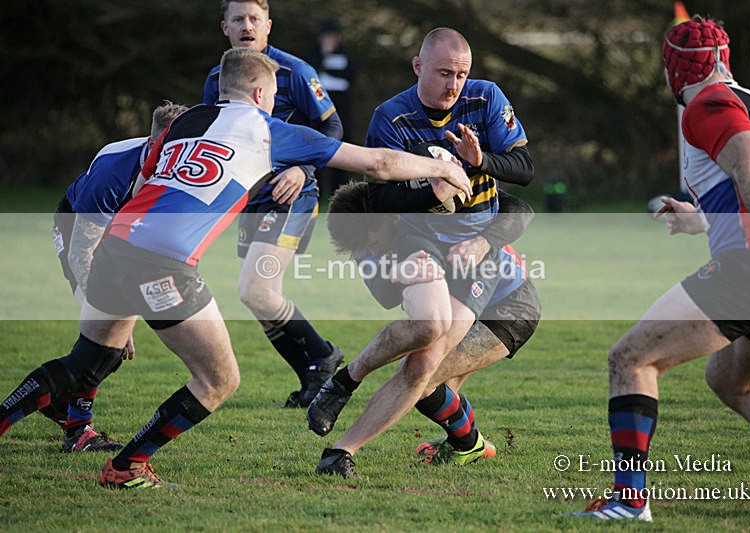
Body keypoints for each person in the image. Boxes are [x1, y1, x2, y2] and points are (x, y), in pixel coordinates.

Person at [0, 47, 470, 489]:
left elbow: (145, 179)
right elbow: (379, 163)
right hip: (163, 263)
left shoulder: (186, 122)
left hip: (116, 246)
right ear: (264, 94)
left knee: (86, 363)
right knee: (219, 380)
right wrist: (442, 170)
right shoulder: (268, 129)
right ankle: (127, 467)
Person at [572, 17, 750, 521]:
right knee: (730, 380)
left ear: (674, 68)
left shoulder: (707, 102)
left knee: (630, 357)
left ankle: (629, 502)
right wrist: (701, 219)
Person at [310, 182, 540, 478]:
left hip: (510, 305)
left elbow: (518, 209)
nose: (371, 251)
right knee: (428, 382)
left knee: (421, 371)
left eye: (374, 242)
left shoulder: (425, 204)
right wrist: (395, 273)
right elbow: (383, 295)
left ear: (393, 218)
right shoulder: (361, 234)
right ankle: (465, 442)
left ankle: (343, 450)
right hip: (462, 294)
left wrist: (482, 242)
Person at [202, 0, 347, 408]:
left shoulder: (295, 71)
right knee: (260, 296)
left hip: (292, 195)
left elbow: (331, 126)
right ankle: (312, 377)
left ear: (268, 25)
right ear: (224, 27)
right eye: (238, 19)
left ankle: (321, 357)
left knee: (256, 288)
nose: (246, 26)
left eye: (254, 19)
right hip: (251, 199)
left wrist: (302, 169)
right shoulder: (217, 78)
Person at [45, 101, 187, 453]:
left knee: (109, 346)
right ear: (156, 146)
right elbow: (82, 252)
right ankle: (75, 427)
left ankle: (56, 401)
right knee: (105, 340)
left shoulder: (179, 163)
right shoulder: (113, 174)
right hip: (78, 233)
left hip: (121, 238)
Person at [305, 17, 358, 198]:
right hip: (319, 109)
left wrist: (329, 69)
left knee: (342, 148)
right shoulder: (313, 54)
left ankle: (339, 191)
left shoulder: (346, 55)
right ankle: (316, 190)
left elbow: (351, 75)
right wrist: (324, 56)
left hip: (342, 107)